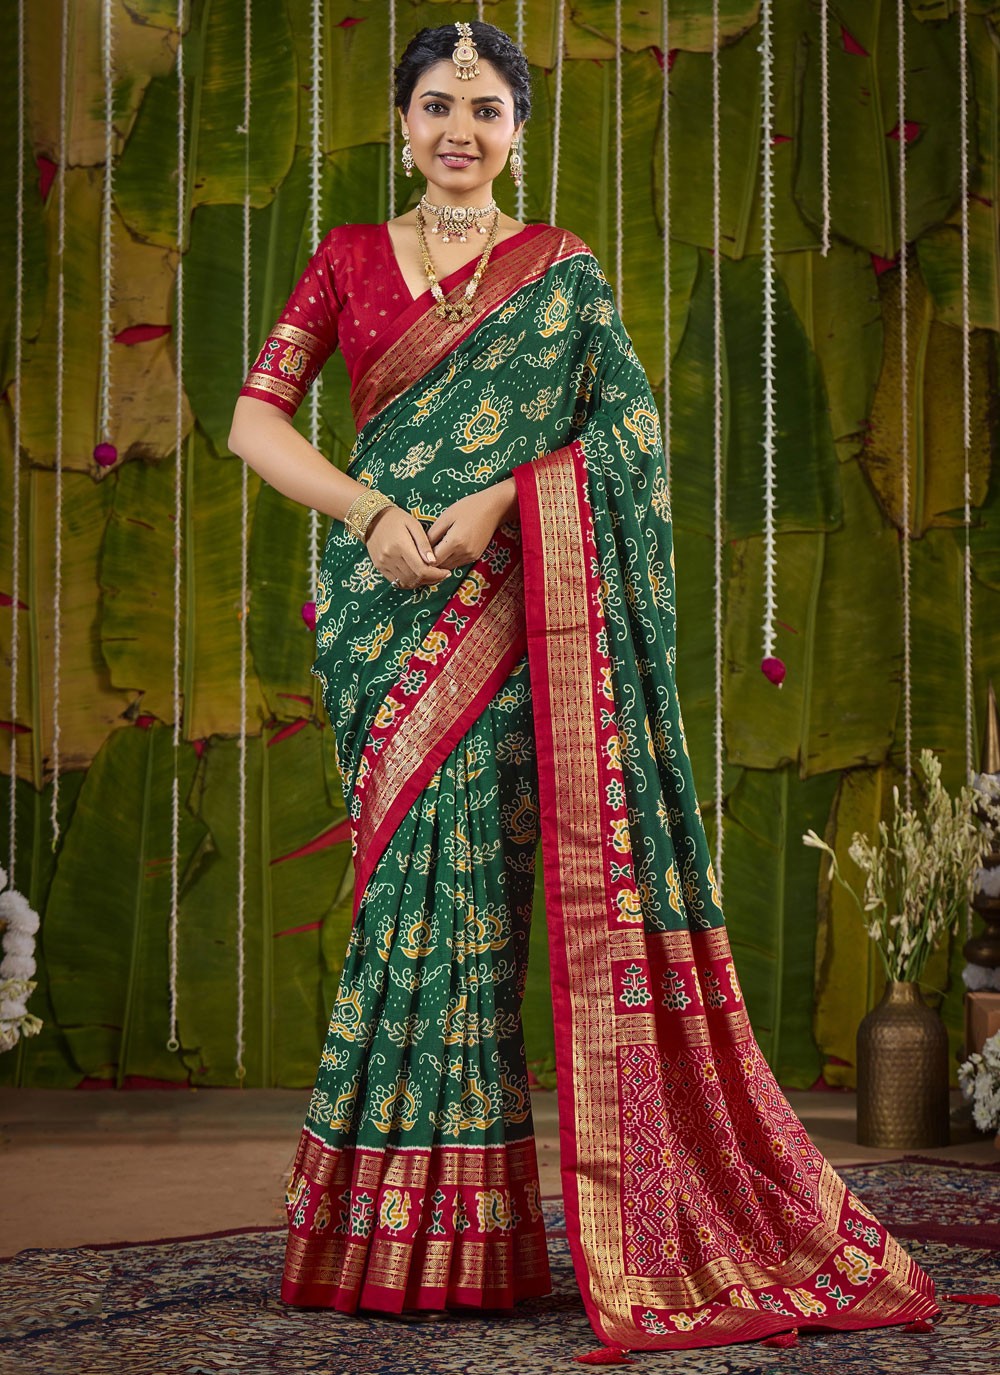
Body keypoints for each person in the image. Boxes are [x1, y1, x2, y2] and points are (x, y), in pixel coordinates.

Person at [229, 19, 937, 1354]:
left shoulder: (560, 271)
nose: (460, 130)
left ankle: (460, 1241)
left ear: (518, 128)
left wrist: (506, 497)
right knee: (401, 909)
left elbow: (629, 431)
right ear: (401, 122)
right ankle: (385, 1233)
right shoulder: (347, 258)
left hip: (509, 614)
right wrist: (370, 511)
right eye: (437, 106)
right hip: (383, 620)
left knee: (477, 911)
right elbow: (252, 419)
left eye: (486, 109)